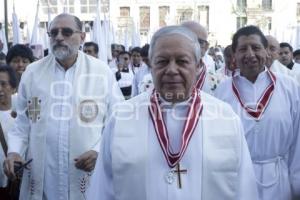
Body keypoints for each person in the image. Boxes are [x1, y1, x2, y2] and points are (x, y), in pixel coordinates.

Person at [87, 25, 258, 200]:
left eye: (182, 61)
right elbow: (103, 188)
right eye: (162, 61)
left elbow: (244, 189)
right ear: (151, 65)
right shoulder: (122, 117)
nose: (171, 70)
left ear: (198, 66)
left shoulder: (226, 117)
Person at [3, 13, 123, 200]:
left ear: (82, 37)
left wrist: (99, 151)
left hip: (86, 175)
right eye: (54, 33)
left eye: (66, 32)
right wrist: (15, 152)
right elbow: (22, 123)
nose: (59, 37)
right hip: (44, 178)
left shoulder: (102, 72)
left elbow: (118, 121)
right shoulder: (33, 73)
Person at [214, 25, 300, 200]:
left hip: (279, 180)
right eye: (243, 49)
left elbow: (298, 139)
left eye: (256, 47)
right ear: (234, 55)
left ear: (267, 51)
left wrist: (296, 182)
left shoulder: (289, 87)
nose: (250, 54)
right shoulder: (222, 91)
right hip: (237, 180)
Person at [0, 66, 17, 198]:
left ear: (13, 88)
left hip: (17, 181)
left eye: (3, 84)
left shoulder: (23, 117)